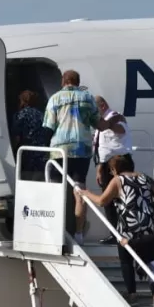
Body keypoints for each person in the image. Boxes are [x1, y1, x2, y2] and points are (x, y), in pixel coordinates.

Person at [42, 69, 124, 244]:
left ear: (63, 81)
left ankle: (54, 233)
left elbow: (48, 127)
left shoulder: (55, 99)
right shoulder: (87, 98)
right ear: (78, 82)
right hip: (81, 152)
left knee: (55, 191)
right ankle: (79, 234)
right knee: (79, 191)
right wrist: (112, 123)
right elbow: (100, 125)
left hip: (59, 151)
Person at [80, 155, 154, 302]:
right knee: (150, 261)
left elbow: (102, 201)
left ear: (115, 169)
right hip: (148, 225)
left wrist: (85, 193)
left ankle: (132, 293)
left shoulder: (118, 180)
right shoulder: (144, 178)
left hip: (129, 228)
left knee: (126, 261)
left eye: (111, 170)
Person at [92, 94, 133, 243]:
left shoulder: (116, 117)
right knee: (109, 200)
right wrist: (99, 168)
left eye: (94, 110)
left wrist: (108, 125)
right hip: (106, 164)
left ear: (102, 106)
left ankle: (125, 231)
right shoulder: (102, 122)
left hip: (120, 163)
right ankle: (114, 232)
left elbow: (121, 130)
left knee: (123, 198)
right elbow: (102, 147)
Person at [11, 90, 51, 181]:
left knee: (27, 179)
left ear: (23, 101)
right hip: (42, 152)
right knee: (40, 178)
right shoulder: (42, 114)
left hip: (27, 152)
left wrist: (13, 149)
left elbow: (16, 136)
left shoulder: (20, 115)